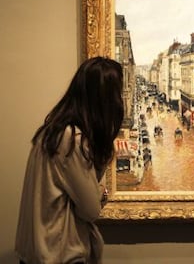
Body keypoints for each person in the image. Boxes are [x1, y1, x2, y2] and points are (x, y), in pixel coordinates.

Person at [15, 57, 124, 264]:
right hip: (60, 256)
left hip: (36, 254)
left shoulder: (50, 132)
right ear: (104, 100)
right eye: (116, 94)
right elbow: (91, 209)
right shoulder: (72, 141)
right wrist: (102, 192)